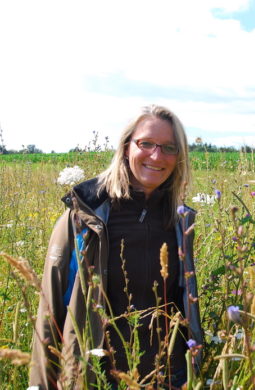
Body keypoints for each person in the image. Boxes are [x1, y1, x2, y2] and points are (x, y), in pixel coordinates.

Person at [28, 105, 202, 390]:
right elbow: (51, 307)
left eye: (169, 148)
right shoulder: (86, 216)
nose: (156, 156)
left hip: (168, 376)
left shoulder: (180, 221)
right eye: (146, 143)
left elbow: (183, 305)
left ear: (179, 156)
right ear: (126, 147)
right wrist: (41, 383)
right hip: (95, 376)